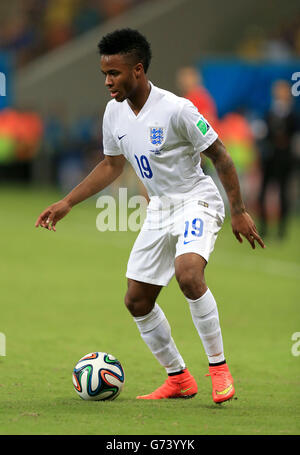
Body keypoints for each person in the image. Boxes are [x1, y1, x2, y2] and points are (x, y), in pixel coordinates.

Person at [35, 28, 265, 404]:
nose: (108, 81)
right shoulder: (114, 113)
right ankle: (178, 378)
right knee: (137, 301)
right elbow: (111, 166)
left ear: (138, 70)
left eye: (115, 73)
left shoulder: (177, 109)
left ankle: (219, 371)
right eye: (104, 74)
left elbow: (221, 155)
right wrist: (67, 203)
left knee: (189, 273)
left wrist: (239, 211)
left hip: (196, 200)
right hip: (160, 209)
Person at [257, 79, 298, 239]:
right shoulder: (269, 113)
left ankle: (281, 230)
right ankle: (263, 227)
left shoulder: (293, 115)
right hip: (269, 158)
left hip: (285, 159)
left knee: (283, 194)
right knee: (263, 193)